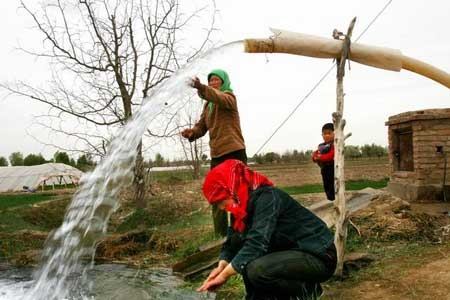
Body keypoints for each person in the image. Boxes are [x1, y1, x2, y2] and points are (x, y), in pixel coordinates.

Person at [197, 159, 337, 300]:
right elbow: (233, 242)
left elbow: (257, 243)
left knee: (257, 269)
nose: (221, 207)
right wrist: (222, 265)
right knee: (245, 261)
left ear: (232, 187)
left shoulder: (268, 198)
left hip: (317, 254)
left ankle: (308, 290)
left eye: (221, 201)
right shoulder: (240, 207)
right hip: (290, 252)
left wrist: (224, 275)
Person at [181, 69, 247, 237]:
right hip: (217, 155)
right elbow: (202, 125)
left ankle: (238, 234)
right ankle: (220, 236)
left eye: (216, 80)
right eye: (210, 81)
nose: (213, 83)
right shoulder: (208, 105)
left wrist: (201, 87)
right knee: (217, 196)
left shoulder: (229, 98)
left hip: (233, 152)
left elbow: (218, 97)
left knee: (236, 195)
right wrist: (193, 132)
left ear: (224, 82)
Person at [312, 123, 335, 201]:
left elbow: (330, 156)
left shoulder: (335, 145)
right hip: (324, 168)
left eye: (329, 133)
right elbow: (315, 153)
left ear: (335, 133)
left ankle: (334, 199)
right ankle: (330, 200)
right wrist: (315, 157)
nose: (326, 135)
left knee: (333, 185)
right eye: (324, 134)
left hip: (332, 168)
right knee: (326, 185)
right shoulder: (321, 146)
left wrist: (319, 157)